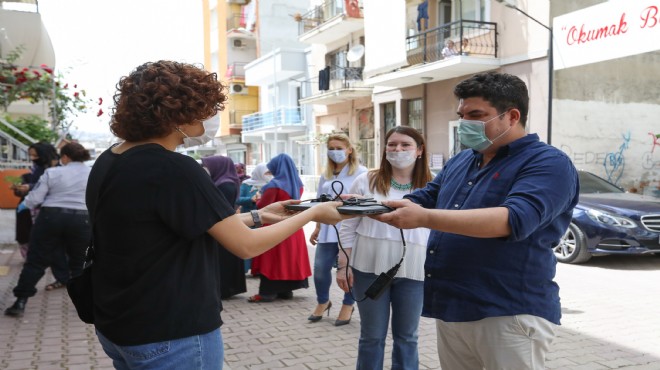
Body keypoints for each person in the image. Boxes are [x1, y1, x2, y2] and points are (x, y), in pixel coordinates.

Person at [83, 60, 344, 369]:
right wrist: (313, 213)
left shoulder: (110, 160)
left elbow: (179, 225)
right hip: (172, 332)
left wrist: (261, 215)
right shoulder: (174, 168)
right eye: (205, 109)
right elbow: (245, 245)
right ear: (179, 115)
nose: (209, 118)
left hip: (120, 324)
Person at [376, 71, 580, 369]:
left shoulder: (548, 163)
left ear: (512, 116)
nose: (465, 123)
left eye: (476, 114)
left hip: (508, 311)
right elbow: (424, 198)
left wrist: (424, 218)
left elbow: (512, 220)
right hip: (454, 306)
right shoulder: (463, 160)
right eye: (462, 114)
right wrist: (364, 208)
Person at [337, 126, 433, 369]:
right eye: (392, 144)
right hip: (368, 267)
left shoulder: (433, 184)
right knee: (371, 337)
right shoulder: (366, 180)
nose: (397, 149)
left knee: (407, 338)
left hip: (414, 270)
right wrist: (343, 265)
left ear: (419, 150)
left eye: (405, 145)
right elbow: (348, 225)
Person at [4, 142, 92, 317]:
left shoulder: (52, 173)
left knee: (36, 260)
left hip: (50, 217)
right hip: (82, 219)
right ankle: (88, 305)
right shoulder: (92, 173)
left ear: (65, 157)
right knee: (80, 264)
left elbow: (34, 198)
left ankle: (20, 302)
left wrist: (24, 205)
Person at [308, 133, 367, 326]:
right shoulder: (325, 174)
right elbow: (318, 203)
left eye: (339, 148)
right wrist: (317, 227)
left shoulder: (361, 173)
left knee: (348, 269)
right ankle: (323, 301)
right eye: (331, 148)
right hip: (327, 229)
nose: (335, 152)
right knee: (320, 270)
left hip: (349, 229)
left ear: (349, 150)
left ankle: (348, 304)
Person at [249, 153, 309, 302]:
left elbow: (263, 207)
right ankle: (286, 291)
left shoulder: (274, 185)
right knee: (289, 258)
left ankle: (267, 293)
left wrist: (257, 200)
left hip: (274, 225)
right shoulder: (298, 184)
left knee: (272, 260)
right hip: (293, 226)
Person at [201, 155, 247, 299]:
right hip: (227, 225)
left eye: (207, 166)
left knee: (225, 259)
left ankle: (225, 289)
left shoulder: (225, 184)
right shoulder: (224, 182)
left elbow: (220, 208)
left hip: (225, 226)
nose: (205, 169)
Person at [11, 142, 59, 260]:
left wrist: (30, 187)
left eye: (35, 156)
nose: (32, 158)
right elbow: (27, 188)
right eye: (30, 155)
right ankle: (31, 258)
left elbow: (51, 186)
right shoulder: (34, 169)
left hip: (48, 209)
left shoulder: (58, 169)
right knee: (25, 236)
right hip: (28, 209)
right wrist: (20, 189)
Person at [236, 163, 270, 274]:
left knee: (262, 243)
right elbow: (238, 199)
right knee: (249, 243)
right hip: (248, 217)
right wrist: (251, 199)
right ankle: (246, 268)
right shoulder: (247, 184)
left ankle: (259, 269)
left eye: (269, 173)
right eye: (266, 173)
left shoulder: (270, 185)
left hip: (263, 219)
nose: (268, 175)